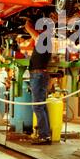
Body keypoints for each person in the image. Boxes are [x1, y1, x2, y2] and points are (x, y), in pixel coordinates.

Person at [24, 16, 55, 145]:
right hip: (40, 75)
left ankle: (44, 135)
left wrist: (27, 20)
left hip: (38, 76)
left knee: (37, 106)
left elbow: (28, 28)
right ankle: (46, 134)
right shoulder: (47, 40)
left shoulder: (43, 39)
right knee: (41, 106)